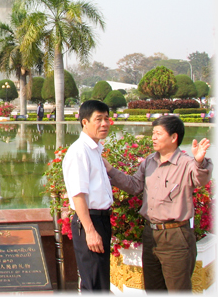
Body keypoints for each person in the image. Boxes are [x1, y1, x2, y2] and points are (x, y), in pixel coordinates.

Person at [104, 115, 213, 292]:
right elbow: (134, 186)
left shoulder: (186, 164)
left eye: (158, 133)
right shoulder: (149, 162)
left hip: (176, 236)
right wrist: (110, 169)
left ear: (173, 137)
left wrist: (199, 161)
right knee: (153, 289)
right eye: (153, 133)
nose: (153, 137)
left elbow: (200, 178)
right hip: (151, 234)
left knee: (178, 290)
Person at [62, 100, 113, 292]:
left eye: (107, 119)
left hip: (100, 220)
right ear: (85, 122)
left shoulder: (95, 151)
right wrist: (90, 231)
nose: (104, 124)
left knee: (99, 281)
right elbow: (78, 195)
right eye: (98, 119)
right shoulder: (79, 152)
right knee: (94, 284)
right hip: (89, 222)